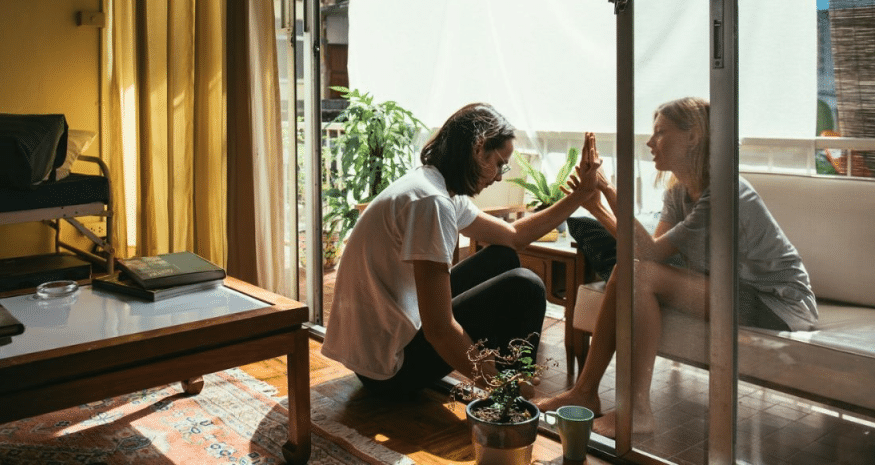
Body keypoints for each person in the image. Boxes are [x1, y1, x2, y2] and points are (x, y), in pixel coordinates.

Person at [539, 97, 818, 437]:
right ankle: (585, 392)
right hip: (730, 289)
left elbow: (651, 255)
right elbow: (649, 253)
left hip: (776, 302)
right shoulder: (678, 193)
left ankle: (637, 409)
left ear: (692, 137)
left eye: (660, 133)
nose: (649, 141)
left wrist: (608, 189)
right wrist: (595, 206)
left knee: (637, 272)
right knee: (627, 271)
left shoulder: (725, 193)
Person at [321, 103, 601, 397]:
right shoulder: (432, 202)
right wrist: (497, 385)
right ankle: (511, 393)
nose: (499, 176)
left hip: (381, 349)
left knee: (503, 256)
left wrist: (581, 194)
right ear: (479, 150)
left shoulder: (435, 187)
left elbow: (514, 236)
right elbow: (439, 329)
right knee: (526, 286)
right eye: (500, 163)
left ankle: (513, 377)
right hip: (389, 369)